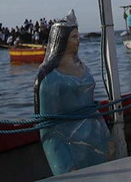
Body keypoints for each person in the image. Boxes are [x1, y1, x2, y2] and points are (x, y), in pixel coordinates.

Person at [34, 11, 111, 175]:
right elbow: (48, 128)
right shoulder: (51, 79)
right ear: (62, 40)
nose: (78, 41)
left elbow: (91, 107)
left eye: (78, 36)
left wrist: (106, 136)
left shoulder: (83, 67)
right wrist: (62, 162)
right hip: (71, 145)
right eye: (74, 37)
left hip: (96, 139)